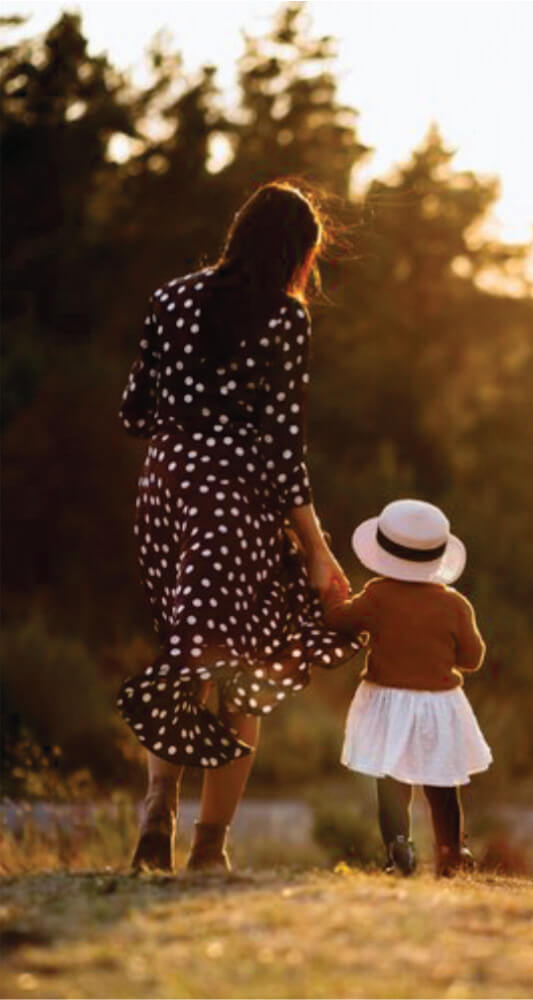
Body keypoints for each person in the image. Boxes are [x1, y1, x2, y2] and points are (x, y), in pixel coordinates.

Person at [118, 182, 360, 872]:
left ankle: (156, 814)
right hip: (235, 502)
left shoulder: (170, 298)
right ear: (295, 255)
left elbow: (135, 411)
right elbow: (282, 450)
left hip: (164, 492)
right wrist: (318, 550)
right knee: (242, 673)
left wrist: (186, 437)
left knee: (185, 651)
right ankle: (208, 848)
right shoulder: (284, 318)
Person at [321, 498, 492, 877]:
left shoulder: (377, 595)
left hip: (387, 700)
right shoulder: (455, 605)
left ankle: (398, 846)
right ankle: (451, 852)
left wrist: (332, 592)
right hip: (439, 705)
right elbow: (472, 657)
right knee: (443, 782)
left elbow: (339, 620)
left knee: (392, 779)